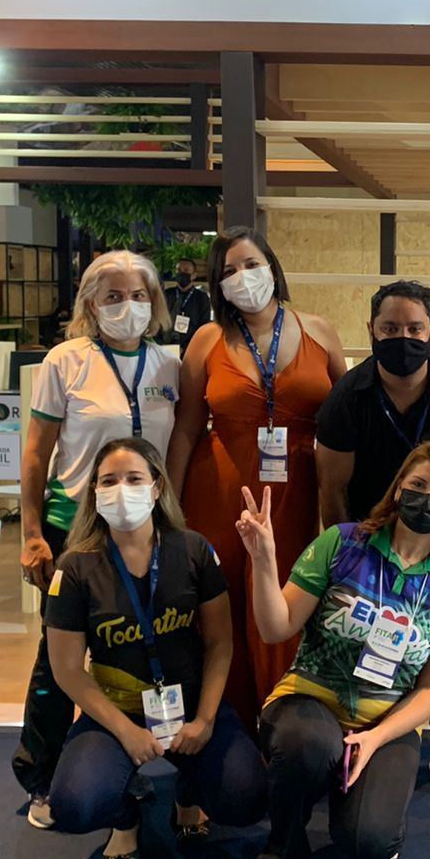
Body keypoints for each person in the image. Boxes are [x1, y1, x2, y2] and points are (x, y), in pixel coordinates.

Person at [239, 442, 430, 859]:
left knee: (369, 843)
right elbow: (275, 627)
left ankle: (344, 786)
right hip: (309, 702)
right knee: (307, 746)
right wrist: (264, 561)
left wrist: (376, 737)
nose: (427, 498)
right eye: (418, 485)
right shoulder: (343, 544)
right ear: (398, 489)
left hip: (385, 722)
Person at [12, 250, 180, 831]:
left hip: (147, 529)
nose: (127, 306)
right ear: (90, 303)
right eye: (113, 296)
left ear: (155, 302)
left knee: (139, 646)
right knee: (59, 657)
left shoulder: (169, 365)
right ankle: (42, 774)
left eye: (138, 295)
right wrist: (32, 532)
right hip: (76, 529)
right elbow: (36, 452)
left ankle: (135, 761)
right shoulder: (66, 362)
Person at [44, 438, 267, 859]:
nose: (121, 490)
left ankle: (188, 792)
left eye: (134, 478)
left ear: (157, 487)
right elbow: (67, 669)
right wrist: (126, 732)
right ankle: (124, 815)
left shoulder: (194, 550)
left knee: (247, 799)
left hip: (191, 706)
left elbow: (220, 643)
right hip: (116, 712)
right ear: (94, 492)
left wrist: (205, 721)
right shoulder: (75, 567)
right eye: (108, 481)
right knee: (74, 805)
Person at [315, 280, 430, 795]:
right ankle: (359, 732)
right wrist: (348, 558)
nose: (403, 337)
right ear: (371, 331)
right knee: (364, 632)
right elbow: (332, 488)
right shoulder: (347, 397)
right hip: (372, 539)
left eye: (414, 328)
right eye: (390, 328)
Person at [166, 226, 346, 726]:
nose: (242, 277)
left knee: (288, 599)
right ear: (217, 284)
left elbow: (346, 421)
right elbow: (185, 430)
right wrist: (170, 510)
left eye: (250, 264)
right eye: (229, 270)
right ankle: (224, 724)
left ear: (272, 267)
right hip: (218, 491)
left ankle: (287, 723)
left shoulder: (320, 331)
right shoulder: (207, 340)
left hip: (297, 490)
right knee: (220, 604)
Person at [162, 256, 212, 357]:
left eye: (186, 270)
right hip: (165, 349)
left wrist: (186, 347)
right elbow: (158, 320)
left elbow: (203, 326)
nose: (181, 273)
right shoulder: (166, 295)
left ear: (194, 275)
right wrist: (162, 345)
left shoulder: (201, 298)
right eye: (178, 270)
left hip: (190, 350)